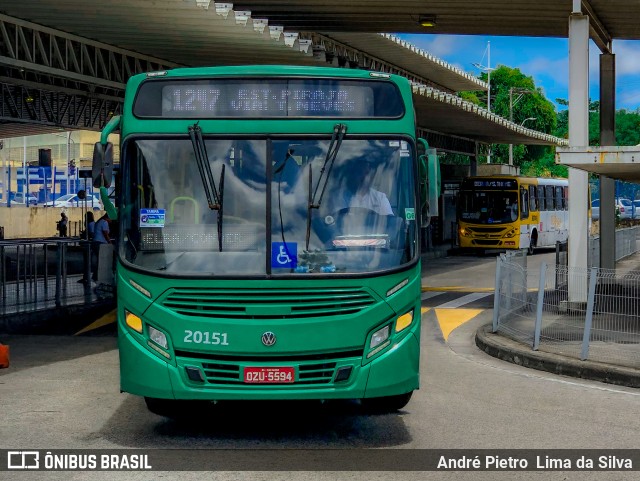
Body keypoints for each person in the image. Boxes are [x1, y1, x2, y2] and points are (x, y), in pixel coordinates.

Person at [92, 213, 111, 283]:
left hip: (95, 242)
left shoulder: (99, 222)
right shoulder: (104, 222)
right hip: (101, 243)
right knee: (102, 261)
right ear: (108, 218)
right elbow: (105, 233)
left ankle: (95, 275)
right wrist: (109, 242)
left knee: (98, 260)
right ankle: (99, 276)